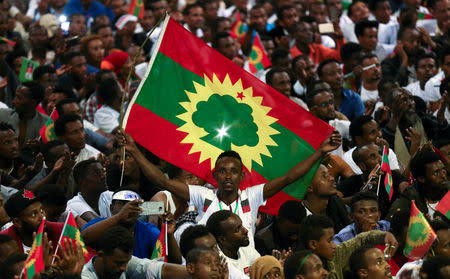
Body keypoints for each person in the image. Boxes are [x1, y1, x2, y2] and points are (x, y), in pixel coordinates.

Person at [119, 130, 341, 241]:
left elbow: (288, 178)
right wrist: (134, 151)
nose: (195, 181)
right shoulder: (167, 197)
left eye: (234, 171)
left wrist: (320, 152)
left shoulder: (250, 196)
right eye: (189, 177)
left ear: (241, 176)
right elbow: (150, 198)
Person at [296, 215, 398, 279]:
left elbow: (361, 239)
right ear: (313, 244)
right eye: (329, 240)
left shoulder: (337, 254)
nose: (333, 246)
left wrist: (385, 235)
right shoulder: (298, 268)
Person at [81, 226, 189, 279]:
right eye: (118, 263)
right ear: (101, 256)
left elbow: (163, 270)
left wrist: (197, 273)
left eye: (126, 263)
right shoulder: (84, 276)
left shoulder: (123, 262)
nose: (124, 268)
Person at [81, 190, 161, 259]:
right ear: (111, 208)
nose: (128, 207)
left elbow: (162, 253)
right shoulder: (98, 223)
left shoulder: (149, 230)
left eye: (134, 204)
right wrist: (119, 217)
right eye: (122, 203)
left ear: (140, 210)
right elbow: (82, 238)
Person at [387, 150, 449, 220]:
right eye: (436, 172)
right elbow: (390, 223)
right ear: (421, 178)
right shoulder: (410, 197)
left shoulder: (448, 190)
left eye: (443, 170)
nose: (443, 176)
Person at [1, 189, 63, 254]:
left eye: (41, 210)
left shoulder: (60, 231)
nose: (42, 217)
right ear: (17, 222)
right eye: (34, 214)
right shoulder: (4, 245)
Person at [206, 210, 260, 276]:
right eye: (237, 229)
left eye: (242, 225)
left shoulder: (247, 250)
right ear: (222, 239)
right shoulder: (218, 263)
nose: (245, 230)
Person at [302, 162, 350, 233]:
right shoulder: (302, 219)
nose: (332, 178)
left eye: (330, 174)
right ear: (309, 187)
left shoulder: (337, 204)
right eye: (324, 176)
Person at [67, 159, 112, 227]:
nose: (103, 176)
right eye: (96, 174)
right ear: (82, 181)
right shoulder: (74, 204)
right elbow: (98, 224)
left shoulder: (108, 195)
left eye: (103, 172)